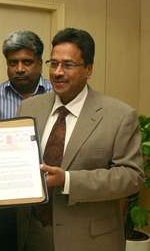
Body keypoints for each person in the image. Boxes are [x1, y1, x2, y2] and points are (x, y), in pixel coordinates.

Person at [17, 28, 144, 251]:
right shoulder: (30, 107)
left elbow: (131, 176)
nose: (57, 72)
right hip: (33, 236)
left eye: (67, 65)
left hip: (89, 240)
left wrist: (68, 180)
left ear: (88, 69)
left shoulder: (119, 115)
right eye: (53, 63)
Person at [0, 30, 52, 251]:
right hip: (4, 197)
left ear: (40, 63)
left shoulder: (58, 93)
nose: (20, 69)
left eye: (27, 62)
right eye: (13, 63)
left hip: (47, 193)